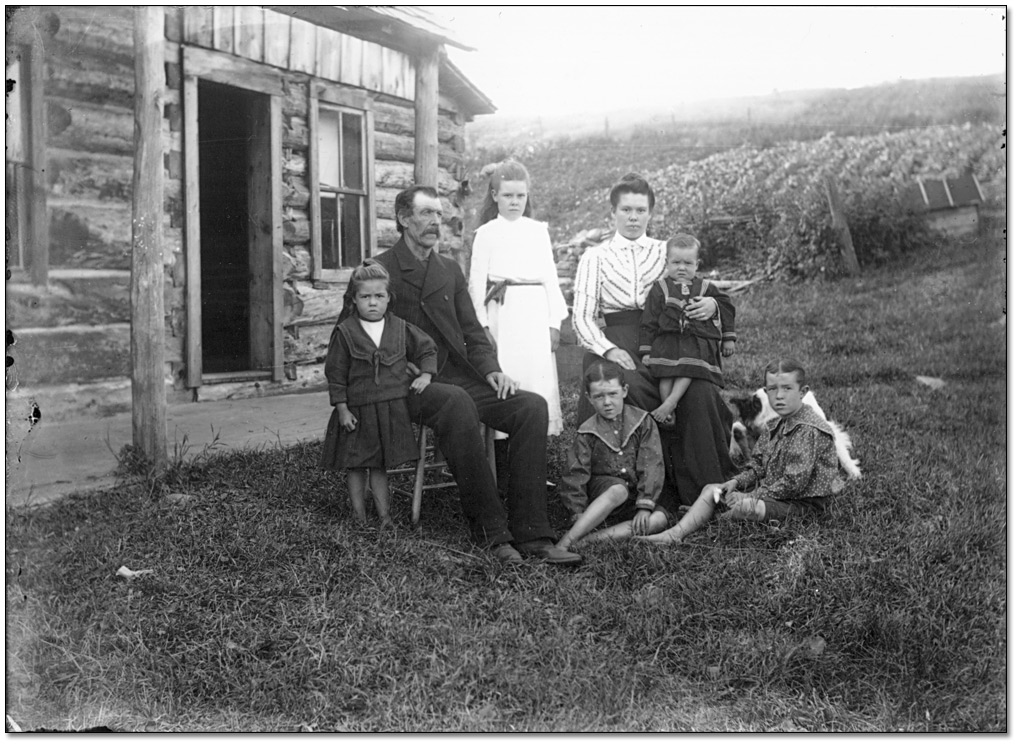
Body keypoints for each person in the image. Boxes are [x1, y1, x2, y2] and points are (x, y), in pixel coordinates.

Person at [374, 185, 582, 566]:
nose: (436, 222)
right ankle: (492, 533)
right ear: (403, 219)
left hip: (459, 377)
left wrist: (491, 370)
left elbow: (472, 332)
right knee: (457, 402)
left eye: (439, 215)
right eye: (426, 214)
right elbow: (358, 334)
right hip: (410, 383)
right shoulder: (380, 270)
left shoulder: (448, 270)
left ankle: (534, 533)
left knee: (530, 407)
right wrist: (397, 364)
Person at [572, 173, 736, 506]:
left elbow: (701, 286)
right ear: (613, 213)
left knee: (699, 391)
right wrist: (609, 349)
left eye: (640, 210)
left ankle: (709, 490)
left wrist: (712, 305)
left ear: (650, 213)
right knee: (635, 387)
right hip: (616, 342)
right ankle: (656, 492)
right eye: (626, 210)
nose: (633, 217)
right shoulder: (596, 257)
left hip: (669, 341)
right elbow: (582, 318)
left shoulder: (666, 252)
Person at [640, 358, 845, 544]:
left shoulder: (808, 429)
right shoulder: (775, 425)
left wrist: (753, 495)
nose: (779, 396)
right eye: (772, 389)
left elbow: (793, 484)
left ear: (803, 392)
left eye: (787, 389)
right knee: (713, 489)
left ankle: (709, 519)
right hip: (774, 492)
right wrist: (736, 482)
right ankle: (675, 533)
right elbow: (757, 466)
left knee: (746, 507)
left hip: (803, 503)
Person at [320, 260, 438, 528]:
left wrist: (426, 374)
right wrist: (342, 408)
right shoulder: (346, 332)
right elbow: (335, 373)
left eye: (379, 296)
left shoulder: (400, 328)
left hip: (389, 409)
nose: (372, 302)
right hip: (358, 411)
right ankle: (358, 516)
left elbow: (428, 349)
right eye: (365, 297)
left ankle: (385, 517)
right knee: (355, 464)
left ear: (388, 299)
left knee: (379, 465)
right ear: (354, 300)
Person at [468, 160, 567, 437]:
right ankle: (504, 457)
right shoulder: (485, 234)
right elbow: (476, 284)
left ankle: (534, 462)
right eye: (508, 195)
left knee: (537, 380)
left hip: (535, 314)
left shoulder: (537, 231)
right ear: (494, 195)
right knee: (508, 380)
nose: (514, 202)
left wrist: (554, 323)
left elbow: (550, 276)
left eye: (520, 196)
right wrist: (483, 326)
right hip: (504, 313)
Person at [553, 361, 668, 551]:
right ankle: (566, 541)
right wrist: (578, 512)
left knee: (659, 519)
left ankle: (590, 540)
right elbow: (575, 475)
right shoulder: (587, 431)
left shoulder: (643, 422)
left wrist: (645, 505)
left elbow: (652, 464)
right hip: (603, 497)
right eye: (599, 396)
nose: (607, 402)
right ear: (589, 398)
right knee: (618, 490)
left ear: (624, 390)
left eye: (613, 394)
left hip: (635, 499)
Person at [639, 233, 737, 426]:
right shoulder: (660, 288)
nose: (682, 268)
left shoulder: (705, 287)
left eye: (688, 263)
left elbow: (726, 306)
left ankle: (670, 403)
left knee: (689, 366)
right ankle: (668, 411)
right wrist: (646, 350)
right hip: (667, 341)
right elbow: (649, 321)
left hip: (696, 342)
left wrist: (728, 339)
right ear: (667, 263)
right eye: (676, 263)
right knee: (665, 372)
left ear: (697, 265)